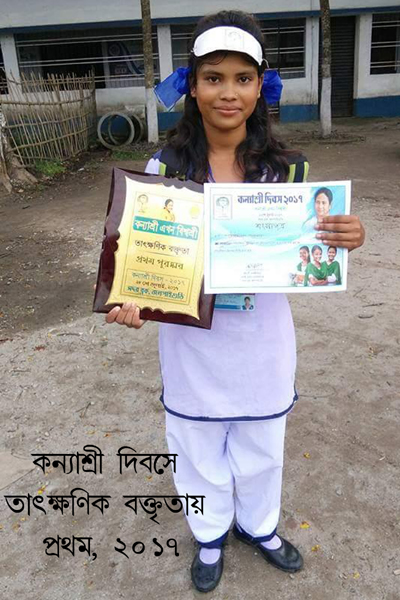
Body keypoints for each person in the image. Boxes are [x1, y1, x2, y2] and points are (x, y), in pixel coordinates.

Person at [105, 10, 365, 593]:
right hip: (192, 342)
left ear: (261, 86)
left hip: (262, 340)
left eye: (243, 78)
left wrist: (346, 236)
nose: (228, 92)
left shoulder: (289, 172)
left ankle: (259, 525)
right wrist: (132, 298)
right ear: (192, 86)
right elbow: (145, 253)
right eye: (213, 78)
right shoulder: (166, 169)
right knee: (195, 444)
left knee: (262, 442)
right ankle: (209, 532)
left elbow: (312, 245)